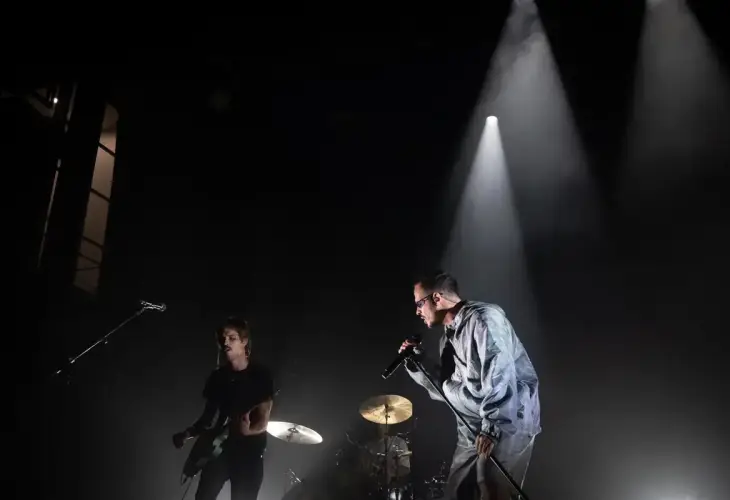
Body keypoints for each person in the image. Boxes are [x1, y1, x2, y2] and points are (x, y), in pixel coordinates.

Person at [401, 272, 540, 500]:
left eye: (419, 304)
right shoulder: (447, 339)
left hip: (507, 420)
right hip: (471, 426)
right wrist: (417, 362)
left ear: (437, 298)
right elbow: (447, 390)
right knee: (457, 492)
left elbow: (500, 373)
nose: (417, 311)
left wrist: (493, 426)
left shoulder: (484, 319)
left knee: (491, 488)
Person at [173, 317, 274, 500]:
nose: (225, 342)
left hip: (249, 455)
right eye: (222, 338)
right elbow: (207, 418)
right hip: (219, 452)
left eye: (232, 338)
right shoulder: (218, 377)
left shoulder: (261, 375)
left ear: (244, 341)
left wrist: (248, 431)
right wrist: (187, 434)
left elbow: (263, 420)